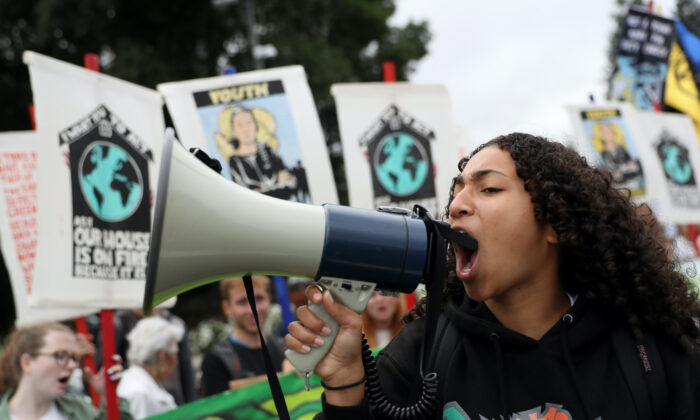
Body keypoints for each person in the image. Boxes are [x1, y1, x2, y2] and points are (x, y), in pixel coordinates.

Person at [286, 133, 700, 419]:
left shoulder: (650, 353)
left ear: (555, 222)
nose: (457, 207)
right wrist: (345, 386)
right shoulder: (424, 353)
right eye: (457, 192)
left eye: (488, 190)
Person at [0, 322, 133, 420]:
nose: (72, 366)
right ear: (27, 362)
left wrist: (108, 397)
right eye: (60, 356)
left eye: (74, 357)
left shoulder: (81, 411)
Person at [199, 276, 288, 397]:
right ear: (227, 308)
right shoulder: (216, 360)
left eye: (259, 299)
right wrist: (287, 377)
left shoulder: (285, 348)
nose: (253, 310)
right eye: (242, 302)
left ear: (269, 299)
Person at [226, 106, 298, 200]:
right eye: (240, 125)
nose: (246, 129)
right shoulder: (235, 162)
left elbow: (291, 181)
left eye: (249, 123)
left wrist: (260, 190)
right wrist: (276, 182)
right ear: (234, 130)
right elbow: (245, 197)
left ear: (256, 126)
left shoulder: (268, 151)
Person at [117, 317, 183, 419]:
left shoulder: (141, 383)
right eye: (175, 354)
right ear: (162, 355)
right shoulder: (138, 393)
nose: (176, 361)